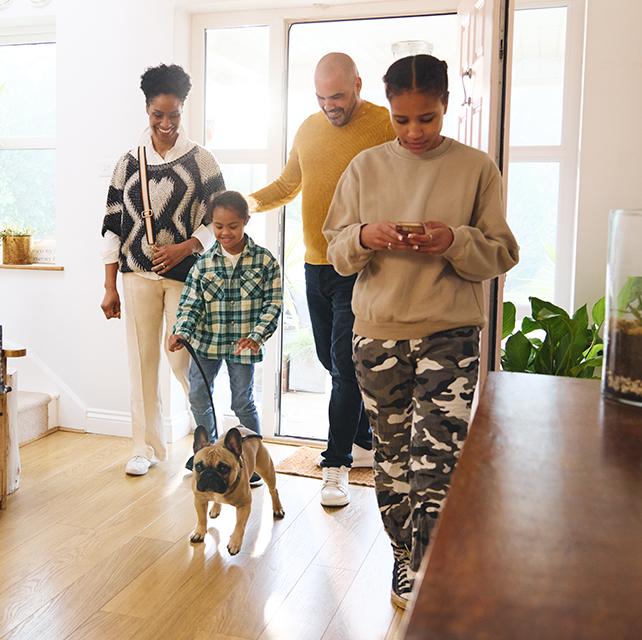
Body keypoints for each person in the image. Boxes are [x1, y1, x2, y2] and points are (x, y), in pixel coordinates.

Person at [323, 54, 518, 610]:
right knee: (392, 458)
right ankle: (405, 558)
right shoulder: (363, 168)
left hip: (449, 334)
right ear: (388, 109)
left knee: (439, 459)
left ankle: (434, 562)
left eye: (426, 119)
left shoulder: (477, 168)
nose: (413, 132)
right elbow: (337, 254)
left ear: (446, 106)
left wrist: (452, 241)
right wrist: (365, 234)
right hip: (377, 335)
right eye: (402, 119)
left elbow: (501, 253)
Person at [247, 52, 397, 508]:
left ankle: (336, 465)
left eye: (337, 96)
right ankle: (367, 442)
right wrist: (240, 204)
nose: (329, 105)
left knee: (345, 366)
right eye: (321, 97)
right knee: (330, 361)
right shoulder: (309, 128)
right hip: (315, 265)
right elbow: (288, 184)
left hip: (359, 266)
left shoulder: (384, 125)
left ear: (357, 84)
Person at [101, 63, 226, 476]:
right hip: (135, 276)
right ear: (147, 109)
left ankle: (211, 445)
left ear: (183, 108)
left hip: (184, 277)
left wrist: (185, 247)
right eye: (159, 115)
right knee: (141, 364)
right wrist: (109, 287)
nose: (167, 123)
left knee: (184, 361)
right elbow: (112, 226)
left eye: (174, 114)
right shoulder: (127, 163)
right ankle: (145, 447)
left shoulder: (202, 161)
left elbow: (221, 219)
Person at [168, 191, 282, 476]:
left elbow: (274, 304)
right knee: (198, 397)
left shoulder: (265, 262)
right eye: (218, 226)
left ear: (246, 221)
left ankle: (253, 463)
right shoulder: (203, 264)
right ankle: (210, 455)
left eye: (232, 226)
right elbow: (190, 304)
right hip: (207, 343)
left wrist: (256, 335)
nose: (225, 232)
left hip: (245, 346)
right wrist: (181, 332)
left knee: (242, 401)